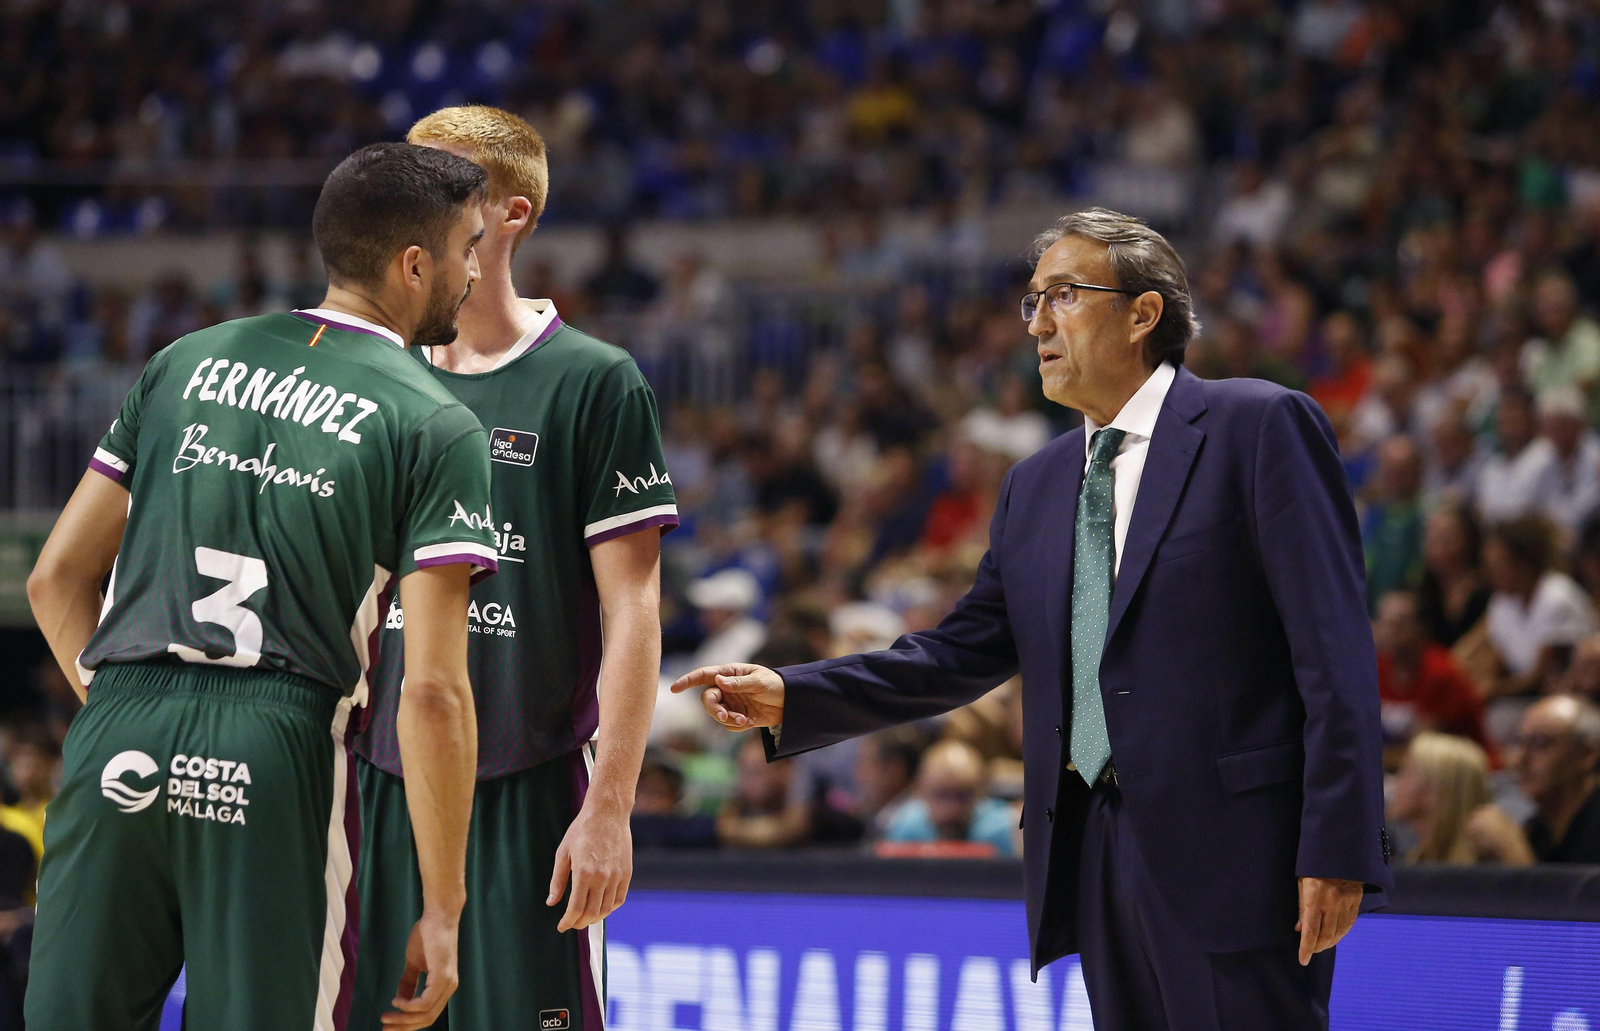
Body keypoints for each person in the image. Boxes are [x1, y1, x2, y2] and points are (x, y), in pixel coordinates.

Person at [676, 207, 1391, 1030]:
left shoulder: (1258, 425)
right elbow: (956, 652)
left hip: (1238, 852)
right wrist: (795, 693)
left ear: (1143, 314)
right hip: (1093, 847)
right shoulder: (1036, 484)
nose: (1038, 323)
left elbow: (1334, 653)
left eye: (1064, 295)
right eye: (1033, 300)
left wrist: (1339, 847)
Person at [23, 142, 498, 1031]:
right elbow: (433, 693)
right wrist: (444, 903)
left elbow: (54, 579)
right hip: (277, 742)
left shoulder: (183, 360)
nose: (476, 272)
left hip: (119, 720)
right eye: (469, 248)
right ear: (414, 264)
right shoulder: (435, 421)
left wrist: (133, 712)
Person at [351, 106, 677, 1031]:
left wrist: (609, 807)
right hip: (374, 780)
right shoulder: (370, 374)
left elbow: (632, 609)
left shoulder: (595, 379)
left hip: (528, 782)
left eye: (437, 183)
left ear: (511, 212)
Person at [1483, 516, 1597, 696]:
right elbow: (1498, 664)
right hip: (1524, 695)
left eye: (1498, 564)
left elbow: (1540, 678)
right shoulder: (1500, 602)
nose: (1491, 573)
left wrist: (1487, 691)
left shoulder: (1557, 596)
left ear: (1524, 564)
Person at [1372, 591, 1493, 756]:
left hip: (1463, 764)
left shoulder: (1440, 673)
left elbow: (1421, 751)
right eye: (1385, 623)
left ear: (1422, 627)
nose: (1389, 631)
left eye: (1399, 624)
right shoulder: (1376, 669)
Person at [1387, 732, 1531, 865]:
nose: (1396, 782)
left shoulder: (1487, 862)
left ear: (1435, 790)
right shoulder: (1415, 859)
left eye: (1405, 772)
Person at [883, 738, 1017, 856]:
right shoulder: (906, 830)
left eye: (963, 795)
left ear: (980, 793)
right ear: (920, 791)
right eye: (941, 794)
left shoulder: (1002, 831)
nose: (952, 808)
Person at [1514, 694, 1600, 863]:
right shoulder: (1534, 830)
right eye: (1519, 743)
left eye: (1539, 743)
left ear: (1586, 755)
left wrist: (1514, 855)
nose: (1520, 760)